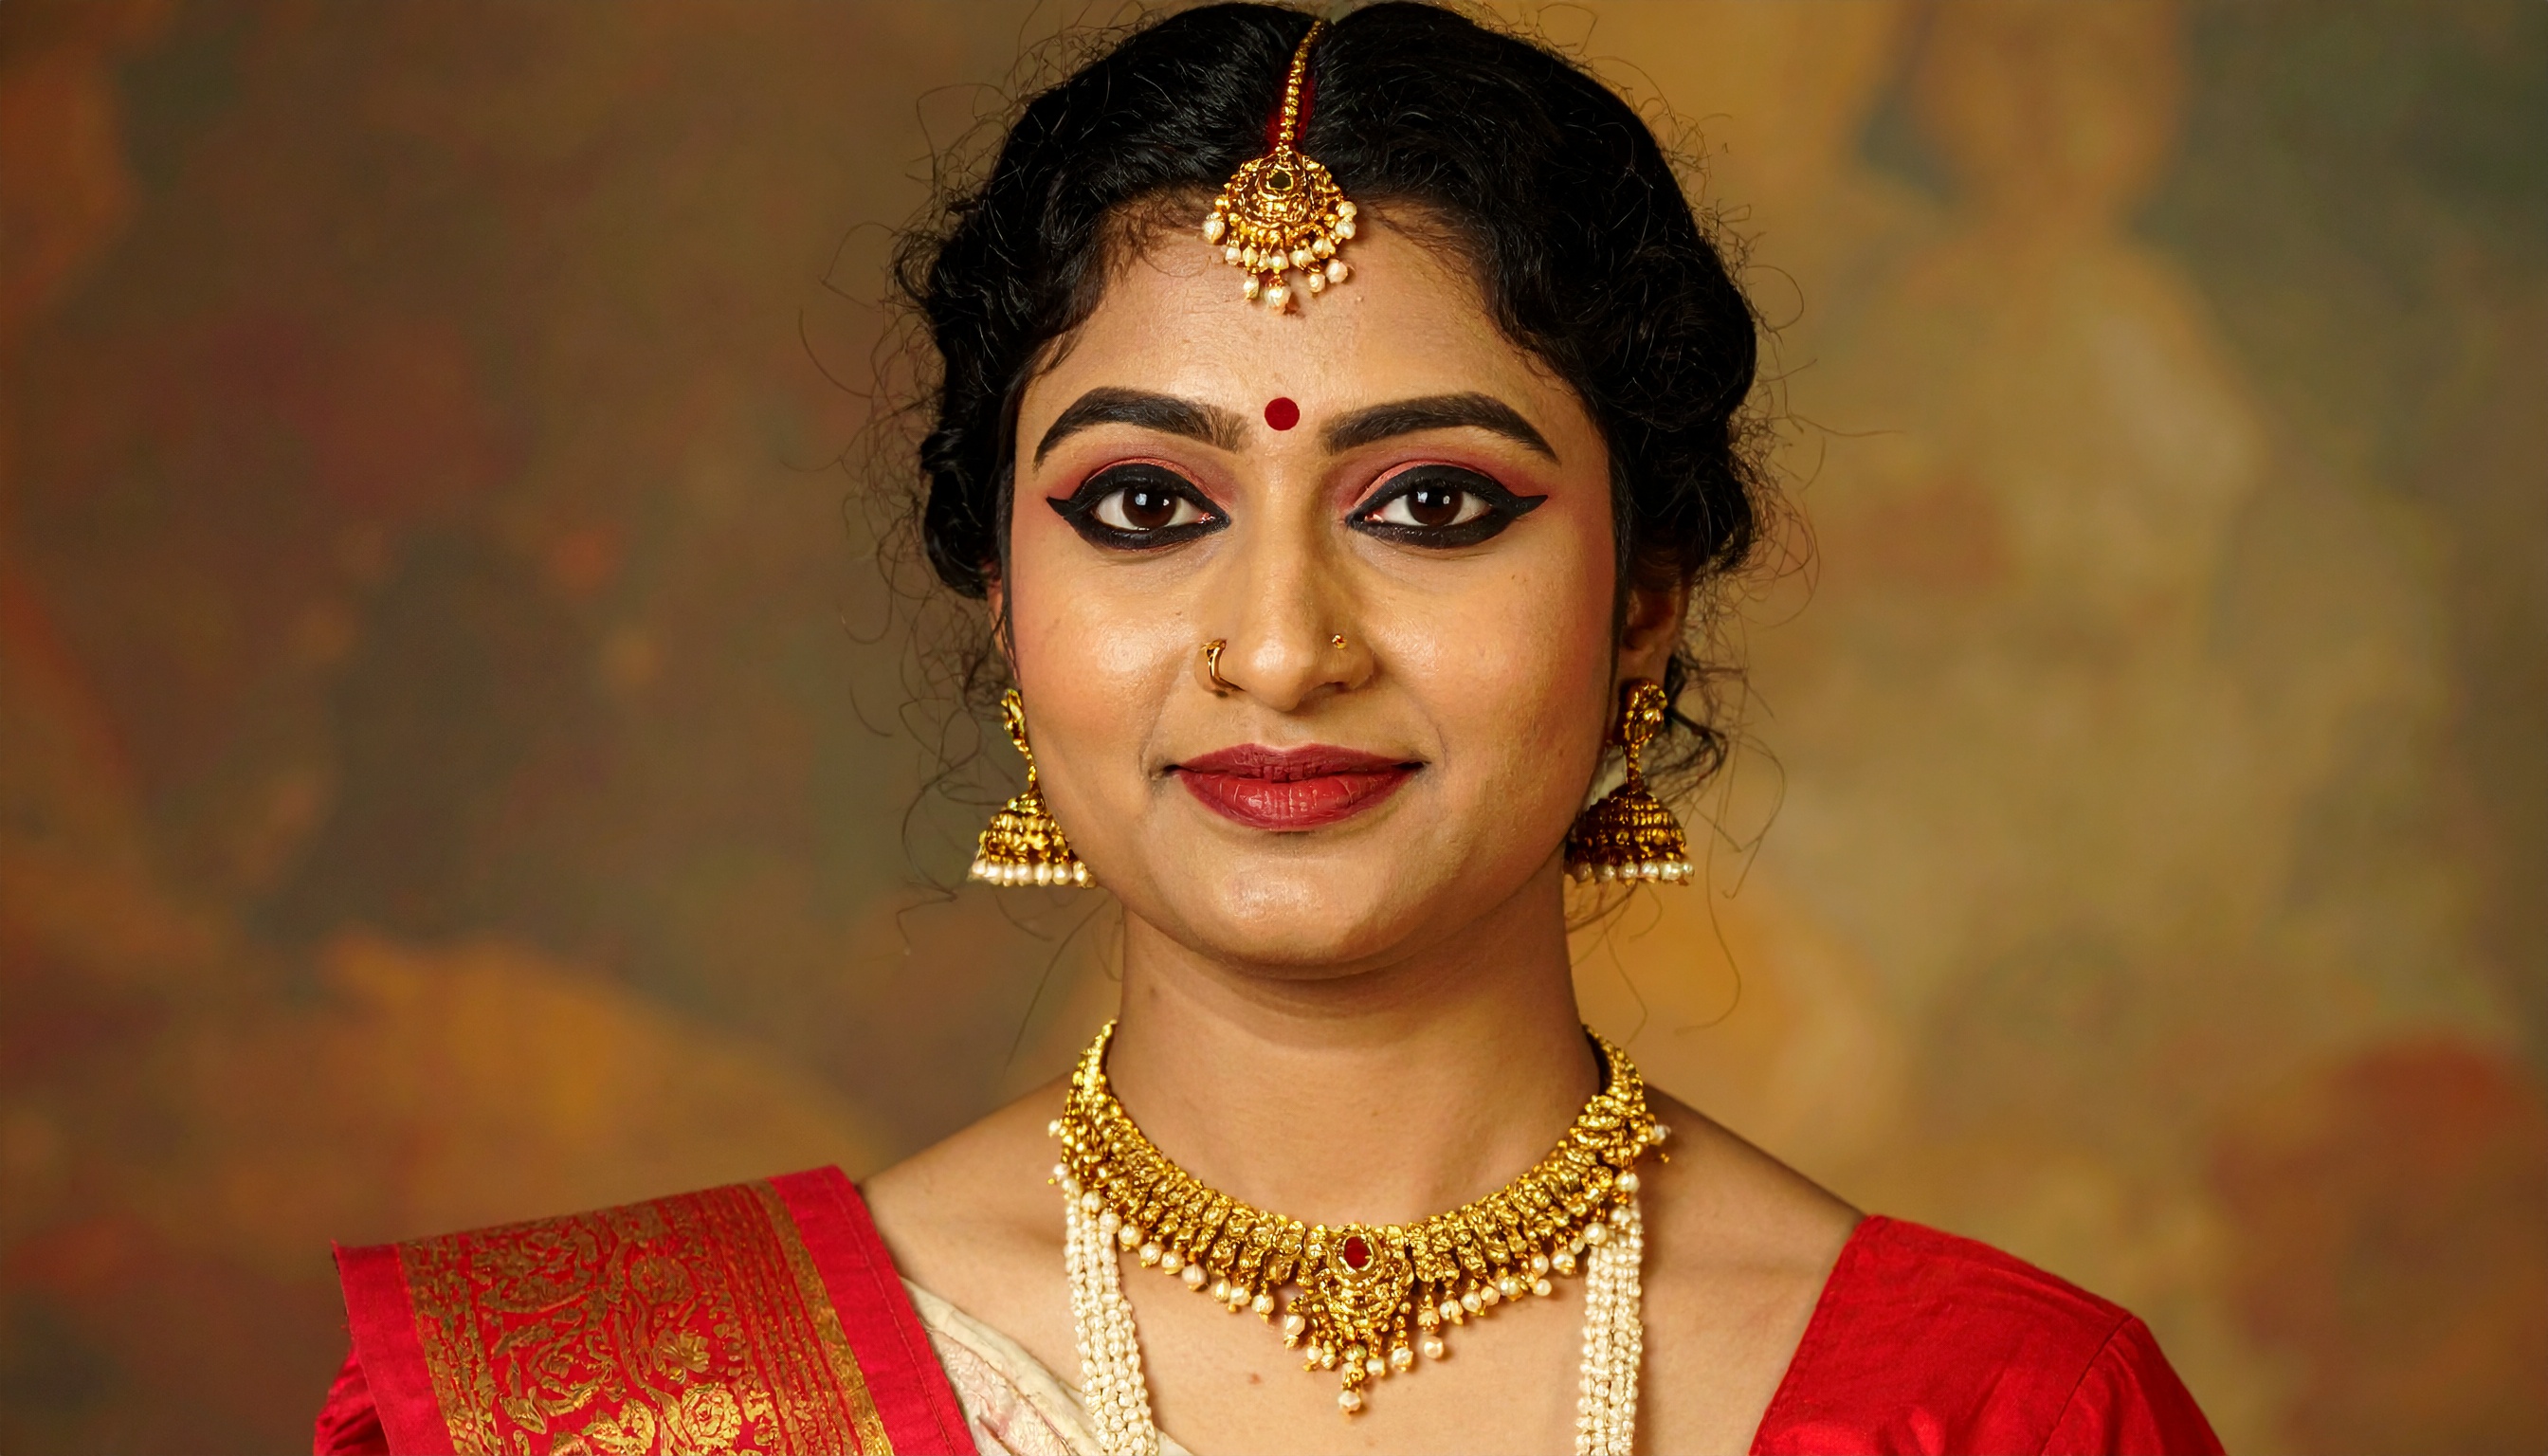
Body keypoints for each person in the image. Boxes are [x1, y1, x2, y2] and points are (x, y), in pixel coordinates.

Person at [314, 5, 2222, 1453]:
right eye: (1145, 506)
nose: (1283, 647)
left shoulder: (2002, 1412)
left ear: (1647, 596)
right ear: (1002, 589)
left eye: (1436, 506)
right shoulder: (602, 1407)